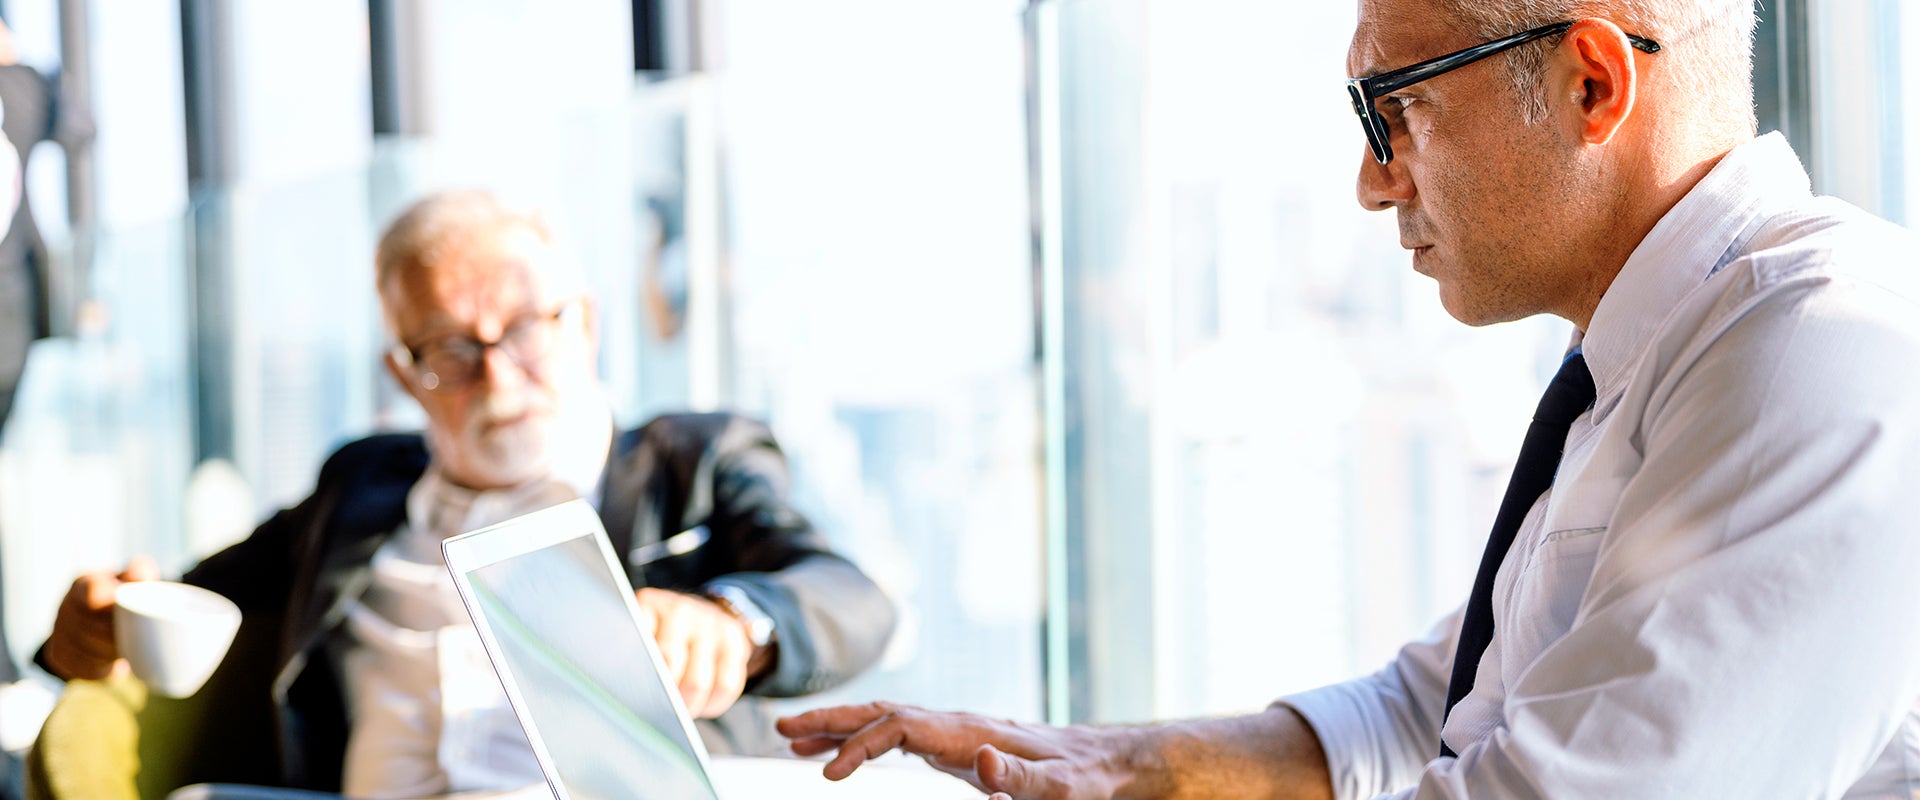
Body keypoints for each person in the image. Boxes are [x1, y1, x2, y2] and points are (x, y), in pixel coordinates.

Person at [777, 0, 1920, 797]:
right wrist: (1098, 761)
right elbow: (1439, 704)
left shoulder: (1811, 356)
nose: (1374, 183)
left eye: (1396, 109)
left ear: (1592, 82)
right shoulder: (1659, 354)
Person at [38, 190, 897, 798]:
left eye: (525, 330)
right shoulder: (359, 487)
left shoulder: (692, 465)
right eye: (449, 348)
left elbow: (852, 599)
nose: (496, 376)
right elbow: (191, 601)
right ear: (403, 374)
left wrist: (736, 624)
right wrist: (97, 622)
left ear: (585, 323)